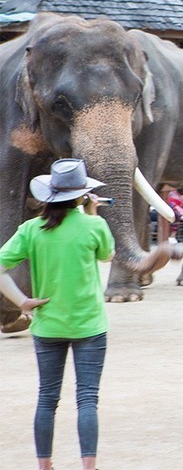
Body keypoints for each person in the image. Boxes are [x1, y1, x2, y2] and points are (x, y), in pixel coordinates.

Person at [0, 159, 115, 470]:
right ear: (82, 195)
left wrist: (22, 301)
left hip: (48, 325)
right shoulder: (94, 225)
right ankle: (89, 465)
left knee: (47, 398)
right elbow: (107, 256)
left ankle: (44, 464)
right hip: (90, 325)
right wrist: (91, 214)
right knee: (87, 399)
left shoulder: (30, 230)